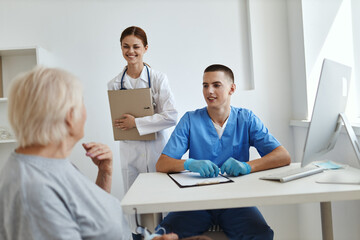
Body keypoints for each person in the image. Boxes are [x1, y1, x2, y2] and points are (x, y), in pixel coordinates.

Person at [0, 66, 183, 240]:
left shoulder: (51, 162)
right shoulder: (32, 190)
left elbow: (86, 214)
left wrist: (105, 172)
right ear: (69, 116)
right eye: (81, 103)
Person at [155, 64, 291, 239]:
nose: (209, 91)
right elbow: (162, 163)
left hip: (236, 201)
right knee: (161, 235)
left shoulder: (246, 119)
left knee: (262, 235)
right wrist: (189, 164)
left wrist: (247, 167)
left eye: (216, 85)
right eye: (205, 85)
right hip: (196, 201)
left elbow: (282, 156)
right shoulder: (190, 120)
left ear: (232, 88)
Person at [108, 26, 177, 240]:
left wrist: (136, 122)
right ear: (121, 48)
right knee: (136, 214)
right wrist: (129, 124)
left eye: (136, 46)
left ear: (145, 48)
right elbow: (118, 121)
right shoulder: (114, 84)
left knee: (162, 211)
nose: (131, 51)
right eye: (126, 46)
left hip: (157, 152)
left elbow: (172, 115)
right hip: (130, 154)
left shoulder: (158, 79)